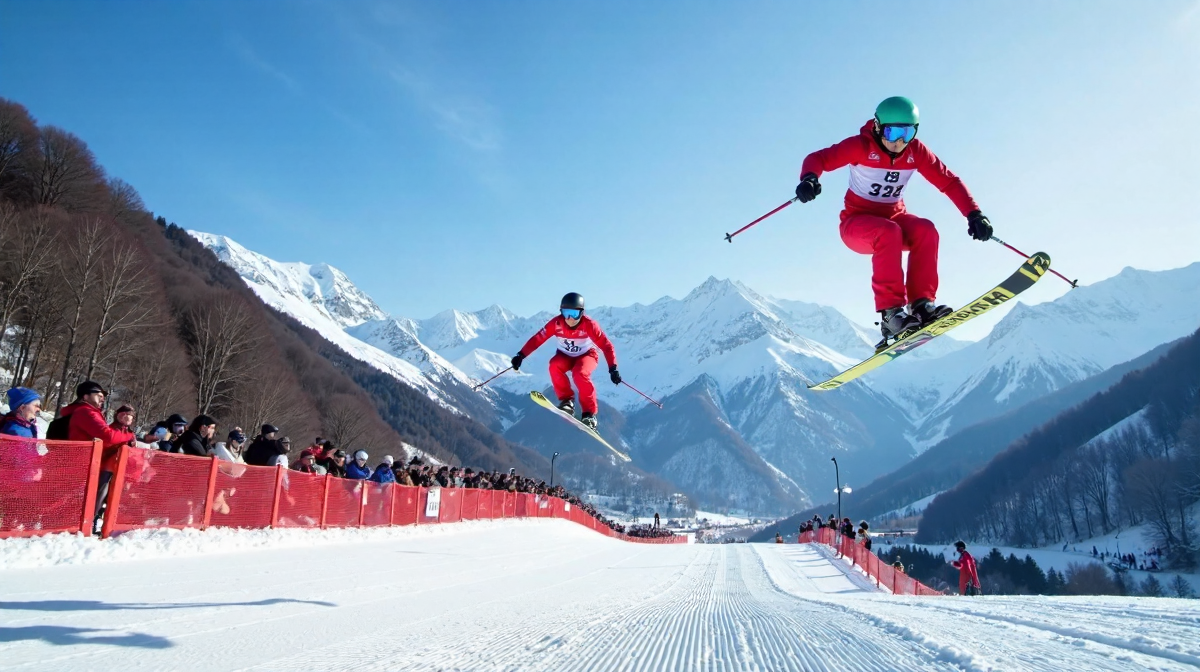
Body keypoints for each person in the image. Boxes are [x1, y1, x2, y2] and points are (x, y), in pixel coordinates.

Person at [795, 96, 991, 342]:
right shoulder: (860, 147)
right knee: (887, 231)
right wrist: (810, 178)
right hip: (857, 224)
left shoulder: (916, 152)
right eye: (893, 131)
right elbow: (819, 158)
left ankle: (922, 306)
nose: (899, 141)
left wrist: (974, 214)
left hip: (895, 218)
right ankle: (891, 315)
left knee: (925, 229)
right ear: (878, 127)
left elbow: (948, 181)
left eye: (907, 133)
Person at [510, 292, 621, 430]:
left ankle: (589, 414)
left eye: (573, 314)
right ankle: (567, 401)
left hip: (587, 356)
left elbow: (606, 345)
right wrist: (521, 355)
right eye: (565, 313)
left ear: (581, 313)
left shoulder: (589, 325)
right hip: (565, 356)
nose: (569, 318)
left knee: (579, 373)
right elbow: (538, 338)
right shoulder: (556, 323)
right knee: (554, 365)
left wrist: (613, 368)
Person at [57, 381, 135, 530]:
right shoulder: (86, 412)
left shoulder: (88, 412)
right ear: (85, 396)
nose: (102, 398)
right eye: (98, 395)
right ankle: (75, 526)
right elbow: (108, 436)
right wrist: (128, 437)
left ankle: (74, 525)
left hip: (84, 461)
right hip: (82, 462)